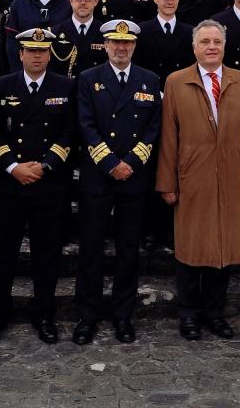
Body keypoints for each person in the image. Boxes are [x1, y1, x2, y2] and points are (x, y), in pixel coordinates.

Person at [156, 20, 240, 341]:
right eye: (205, 42)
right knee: (191, 248)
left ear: (225, 46)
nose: (212, 46)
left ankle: (215, 312)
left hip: (232, 175)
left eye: (217, 41)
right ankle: (189, 314)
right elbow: (168, 137)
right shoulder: (176, 82)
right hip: (192, 176)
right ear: (194, 48)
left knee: (224, 249)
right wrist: (167, 183)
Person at [0, 28, 74, 345]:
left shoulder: (65, 85)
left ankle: (43, 314)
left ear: (49, 54)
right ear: (20, 54)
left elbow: (69, 134)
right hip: (10, 184)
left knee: (46, 256)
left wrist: (46, 164)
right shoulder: (3, 85)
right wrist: (13, 166)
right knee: (3, 255)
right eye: (30, 51)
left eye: (42, 50)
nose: (37, 56)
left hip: (49, 184)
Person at [73, 19, 162, 345]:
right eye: (115, 43)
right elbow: (84, 124)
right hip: (99, 176)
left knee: (128, 250)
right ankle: (88, 315)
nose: (121, 48)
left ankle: (123, 315)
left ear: (134, 46)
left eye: (127, 43)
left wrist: (131, 162)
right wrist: (110, 162)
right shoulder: (88, 79)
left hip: (133, 178)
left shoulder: (150, 81)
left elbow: (154, 127)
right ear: (106, 46)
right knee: (91, 248)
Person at [135, 0, 195, 250]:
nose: (169, 1)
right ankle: (150, 229)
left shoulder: (189, 31)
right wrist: (157, 92)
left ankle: (174, 228)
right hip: (150, 103)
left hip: (182, 104)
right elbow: (137, 70)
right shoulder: (142, 31)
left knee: (178, 164)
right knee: (152, 164)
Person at [49, 0, 107, 79]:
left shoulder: (105, 34)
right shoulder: (55, 33)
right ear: (71, 0)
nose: (83, 2)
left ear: (96, 1)